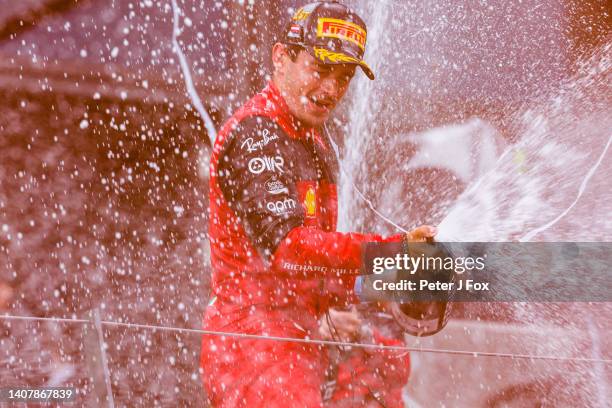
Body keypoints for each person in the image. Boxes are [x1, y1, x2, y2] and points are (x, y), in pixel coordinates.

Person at [201, 2, 436, 406]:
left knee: (386, 364)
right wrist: (387, 254)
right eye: (320, 69)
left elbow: (314, 267)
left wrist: (374, 293)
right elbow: (289, 251)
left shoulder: (311, 138)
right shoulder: (256, 134)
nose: (331, 89)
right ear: (281, 58)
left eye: (343, 76)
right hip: (256, 349)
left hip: (301, 337)